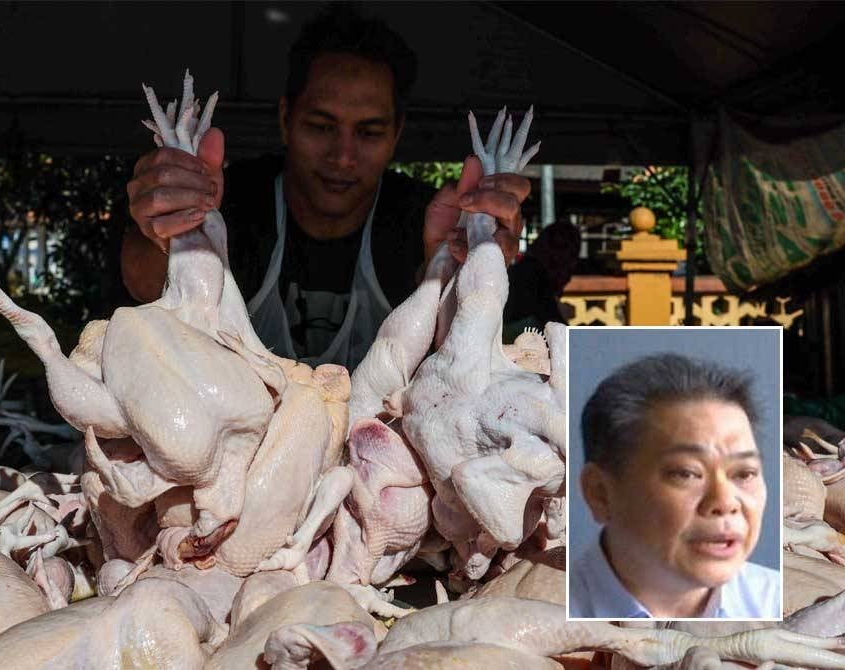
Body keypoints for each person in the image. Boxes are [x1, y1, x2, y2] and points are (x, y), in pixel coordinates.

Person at [122, 5, 531, 370]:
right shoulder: (231, 201)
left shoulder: (427, 220)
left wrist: (465, 267)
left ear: (396, 133)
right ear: (286, 118)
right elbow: (143, 284)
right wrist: (166, 229)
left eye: (369, 132)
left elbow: (455, 353)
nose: (343, 156)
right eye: (321, 127)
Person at [570, 353, 780, 619]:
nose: (725, 502)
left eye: (744, 473)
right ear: (599, 493)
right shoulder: (547, 613)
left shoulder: (781, 605)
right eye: (687, 473)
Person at [503, 220, 581, 341]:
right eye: (571, 257)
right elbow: (554, 329)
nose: (572, 266)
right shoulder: (533, 277)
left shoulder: (527, 270)